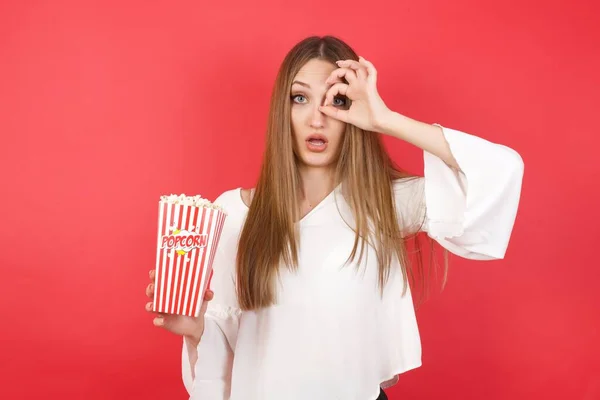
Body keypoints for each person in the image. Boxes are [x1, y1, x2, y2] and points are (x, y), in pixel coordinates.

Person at [144, 35, 524, 400]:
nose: (317, 119)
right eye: (299, 98)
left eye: (336, 101)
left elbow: (499, 172)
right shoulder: (232, 213)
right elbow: (223, 359)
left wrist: (384, 118)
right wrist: (194, 330)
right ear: (282, 109)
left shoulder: (382, 204)